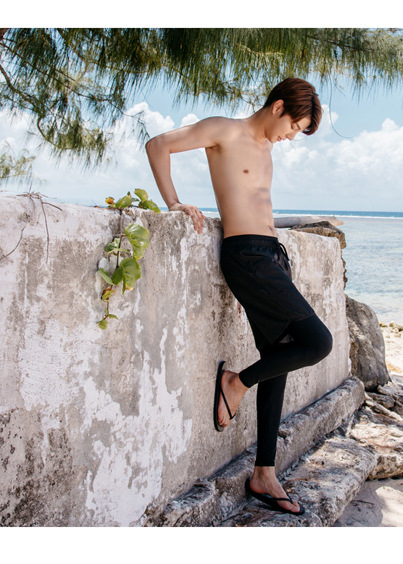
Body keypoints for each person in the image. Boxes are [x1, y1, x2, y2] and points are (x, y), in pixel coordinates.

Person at [145, 78, 333, 515]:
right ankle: (235, 382)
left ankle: (263, 473)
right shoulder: (224, 130)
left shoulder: (267, 148)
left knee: (281, 358)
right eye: (293, 127)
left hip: (271, 258)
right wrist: (174, 202)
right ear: (278, 106)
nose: (291, 137)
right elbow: (158, 145)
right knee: (318, 343)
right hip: (247, 257)